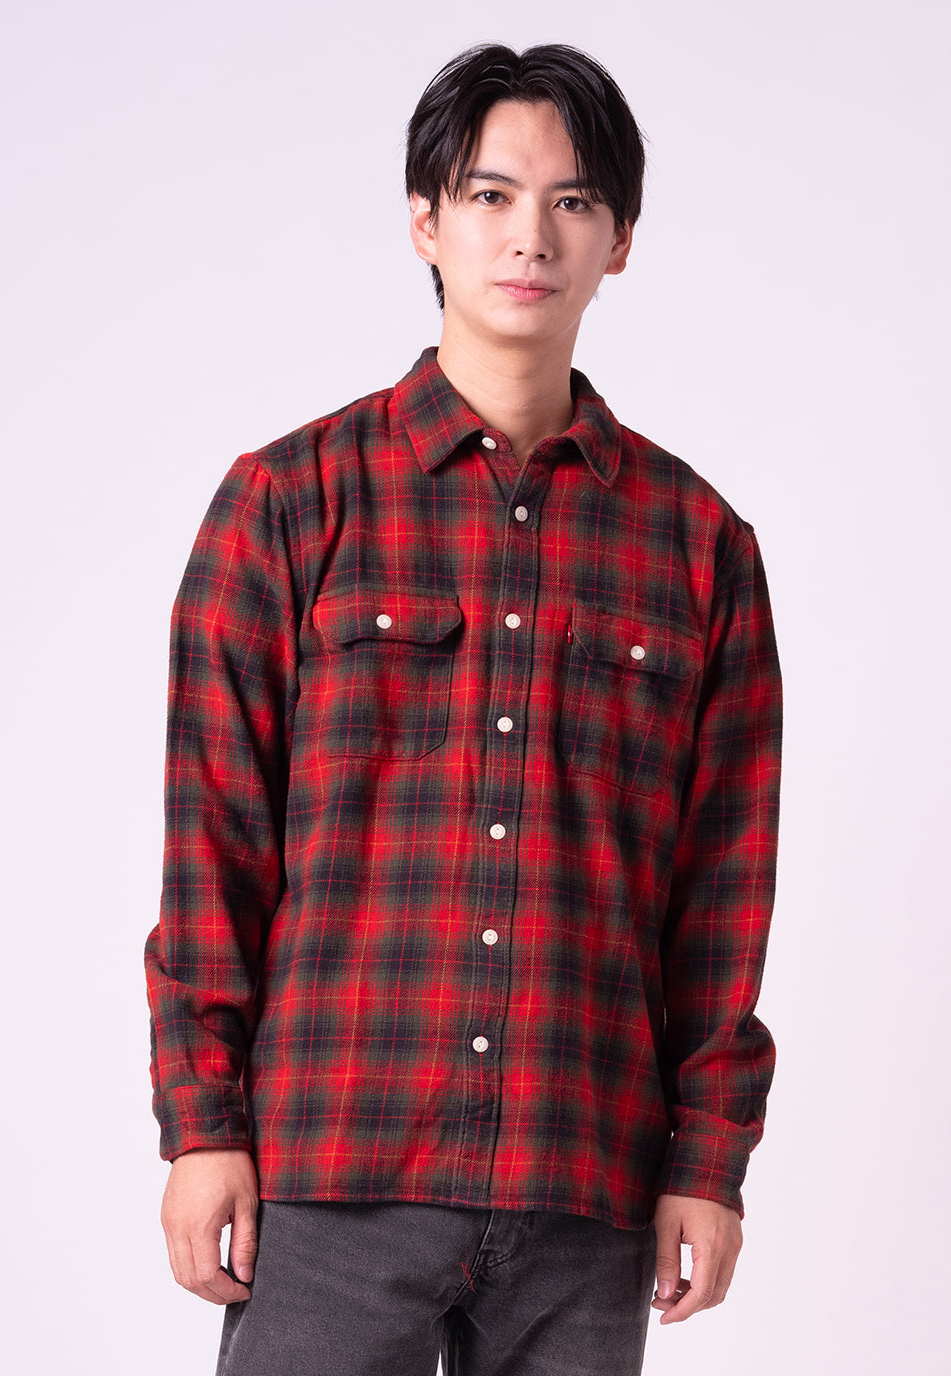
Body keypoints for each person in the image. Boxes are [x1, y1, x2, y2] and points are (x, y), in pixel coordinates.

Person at [144, 40, 783, 1376]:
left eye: (571, 201)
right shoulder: (289, 503)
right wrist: (203, 1126)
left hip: (584, 1181)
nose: (529, 235)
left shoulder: (698, 545)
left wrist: (709, 1160)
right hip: (335, 1171)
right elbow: (214, 842)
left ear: (619, 241)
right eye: (490, 195)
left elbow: (722, 886)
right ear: (426, 220)